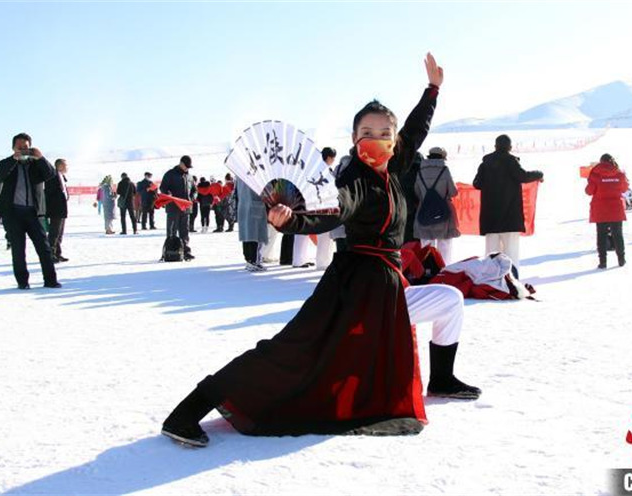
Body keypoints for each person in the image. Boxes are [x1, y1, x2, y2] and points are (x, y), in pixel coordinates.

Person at [162, 53, 479, 448]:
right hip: (354, 289)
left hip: (386, 289)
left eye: (385, 132)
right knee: (290, 350)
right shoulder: (358, 178)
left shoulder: (393, 168)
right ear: (354, 137)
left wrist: (432, 91)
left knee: (449, 300)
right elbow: (335, 210)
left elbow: (416, 131)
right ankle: (187, 411)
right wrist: (291, 221)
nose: (376, 138)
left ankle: (443, 378)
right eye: (367, 131)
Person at [0, 132, 61, 289]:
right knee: (18, 249)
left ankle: (50, 280)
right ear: (13, 148)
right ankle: (23, 282)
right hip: (13, 214)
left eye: (26, 147)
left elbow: (50, 174)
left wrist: (40, 158)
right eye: (20, 147)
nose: (23, 150)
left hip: (33, 213)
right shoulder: (7, 163)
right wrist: (13, 159)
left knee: (44, 248)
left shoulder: (35, 165)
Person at [472, 134, 543, 271]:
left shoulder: (485, 164)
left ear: (495, 146)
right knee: (511, 255)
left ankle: (490, 281)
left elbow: (477, 184)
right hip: (510, 217)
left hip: (490, 218)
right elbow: (523, 176)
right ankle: (512, 281)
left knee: (491, 256)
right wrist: (538, 174)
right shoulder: (511, 161)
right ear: (509, 147)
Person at [413, 146, 459, 265]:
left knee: (427, 246)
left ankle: (428, 271)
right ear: (443, 157)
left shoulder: (420, 171)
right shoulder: (445, 170)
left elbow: (417, 192)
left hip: (424, 212)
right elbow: (453, 192)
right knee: (444, 245)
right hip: (443, 213)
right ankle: (444, 270)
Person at [585, 153, 627, 269]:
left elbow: (589, 191)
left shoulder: (595, 173)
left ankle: (603, 262)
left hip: (601, 209)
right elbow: (624, 188)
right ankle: (621, 259)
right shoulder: (619, 173)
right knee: (618, 235)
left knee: (601, 236)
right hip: (616, 209)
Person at [160, 156, 194, 260]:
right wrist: (168, 194)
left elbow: (194, 190)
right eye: (186, 166)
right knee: (172, 231)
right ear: (181, 163)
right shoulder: (170, 174)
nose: (187, 169)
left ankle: (185, 251)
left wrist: (192, 198)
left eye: (189, 167)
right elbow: (162, 188)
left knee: (185, 231)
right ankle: (170, 251)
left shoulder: (190, 177)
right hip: (173, 208)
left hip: (185, 209)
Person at [236, 176, 269, 271]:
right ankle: (254, 261)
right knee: (255, 235)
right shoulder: (256, 174)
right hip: (255, 205)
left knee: (247, 234)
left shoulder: (239, 173)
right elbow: (266, 189)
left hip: (243, 205)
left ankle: (249, 260)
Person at [315, 147, 338, 269]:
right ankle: (322, 262)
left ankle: (323, 261)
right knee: (325, 235)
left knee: (325, 235)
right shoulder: (324, 170)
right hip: (324, 204)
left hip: (323, 204)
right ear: (328, 157)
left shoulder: (321, 169)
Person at [44, 159, 69, 262]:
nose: (67, 167)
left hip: (62, 208)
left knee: (59, 233)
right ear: (60, 166)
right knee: (54, 233)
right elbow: (49, 192)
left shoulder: (62, 176)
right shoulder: (53, 176)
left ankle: (57, 253)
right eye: (66, 165)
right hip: (56, 208)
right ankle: (51, 254)